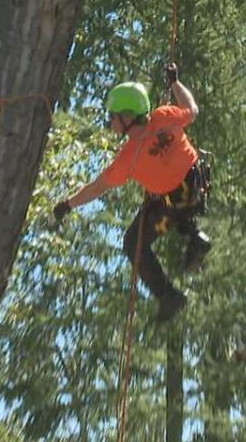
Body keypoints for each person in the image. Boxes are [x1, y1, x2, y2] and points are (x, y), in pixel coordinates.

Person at [53, 63, 212, 323]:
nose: (110, 122)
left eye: (112, 116)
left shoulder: (128, 157)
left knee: (133, 243)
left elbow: (97, 187)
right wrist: (175, 83)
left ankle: (168, 295)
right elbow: (192, 109)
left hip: (172, 205)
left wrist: (68, 204)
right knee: (166, 198)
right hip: (196, 188)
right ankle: (195, 236)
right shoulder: (164, 117)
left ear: (127, 116)